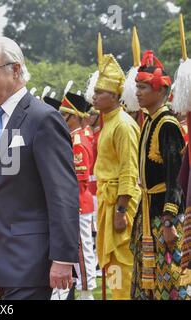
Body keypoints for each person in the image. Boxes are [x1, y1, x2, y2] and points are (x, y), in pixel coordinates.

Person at [0, 37, 79, 300]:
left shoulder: (42, 119)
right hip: (4, 261)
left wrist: (63, 258)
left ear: (17, 69)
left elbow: (62, 194)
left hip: (33, 262)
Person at [130, 50, 191, 299]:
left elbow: (174, 177)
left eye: (143, 87)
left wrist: (168, 220)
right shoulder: (150, 121)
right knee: (147, 277)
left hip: (162, 216)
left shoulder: (167, 124)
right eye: (137, 87)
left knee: (168, 278)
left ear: (159, 91)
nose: (138, 92)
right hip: (146, 210)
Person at [92, 53, 141, 300]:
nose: (94, 96)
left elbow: (129, 171)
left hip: (120, 203)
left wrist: (121, 210)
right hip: (107, 201)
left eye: (100, 91)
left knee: (123, 260)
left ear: (114, 95)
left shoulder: (123, 124)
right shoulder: (108, 122)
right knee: (111, 263)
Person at [60, 92, 97, 300]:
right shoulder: (75, 137)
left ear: (73, 116)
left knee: (82, 251)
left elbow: (79, 179)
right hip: (77, 204)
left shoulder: (77, 141)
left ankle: (86, 291)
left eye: (65, 114)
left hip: (78, 204)